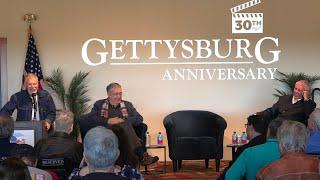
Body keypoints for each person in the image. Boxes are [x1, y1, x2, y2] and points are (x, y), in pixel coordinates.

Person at [90, 82, 158, 165]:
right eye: (115, 94)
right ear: (108, 94)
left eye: (120, 93)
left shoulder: (128, 105)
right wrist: (108, 121)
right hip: (106, 133)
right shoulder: (99, 104)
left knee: (125, 124)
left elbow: (139, 119)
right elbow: (91, 119)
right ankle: (142, 155)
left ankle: (139, 157)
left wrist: (122, 120)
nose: (119, 96)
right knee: (124, 124)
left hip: (125, 135)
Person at [218, 115, 267, 180]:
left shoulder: (244, 150)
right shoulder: (279, 148)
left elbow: (231, 175)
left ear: (251, 127)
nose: (246, 128)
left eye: (246, 125)